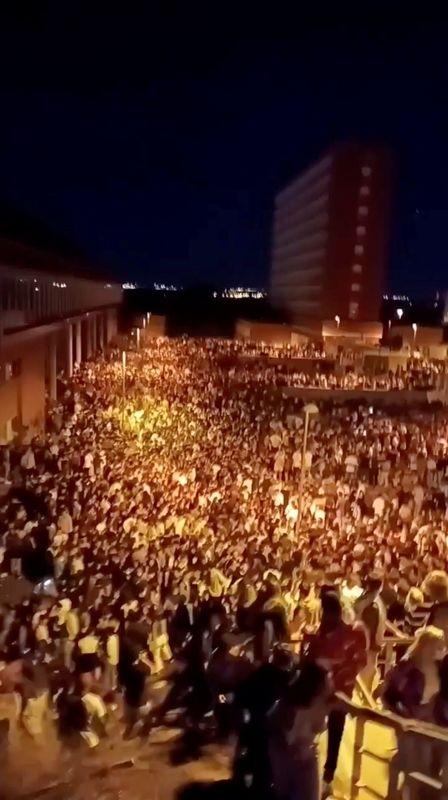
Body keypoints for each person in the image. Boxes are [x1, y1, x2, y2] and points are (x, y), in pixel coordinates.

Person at [304, 592, 367, 793]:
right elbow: (306, 659)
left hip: (334, 690)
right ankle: (320, 776)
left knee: (330, 730)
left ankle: (325, 775)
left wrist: (330, 667)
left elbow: (359, 661)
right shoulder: (320, 633)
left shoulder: (348, 634)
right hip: (327, 689)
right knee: (323, 731)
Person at [268, 660, 332, 800]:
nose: (331, 683)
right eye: (328, 680)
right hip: (285, 754)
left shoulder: (329, 701)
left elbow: (357, 710)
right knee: (285, 794)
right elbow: (282, 735)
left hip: (307, 755)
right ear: (318, 684)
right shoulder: (290, 705)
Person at [382, 626, 445, 718]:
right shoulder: (406, 667)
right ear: (425, 646)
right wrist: (402, 715)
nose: (442, 651)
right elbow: (389, 695)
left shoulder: (441, 668)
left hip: (434, 719)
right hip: (410, 717)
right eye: (438, 647)